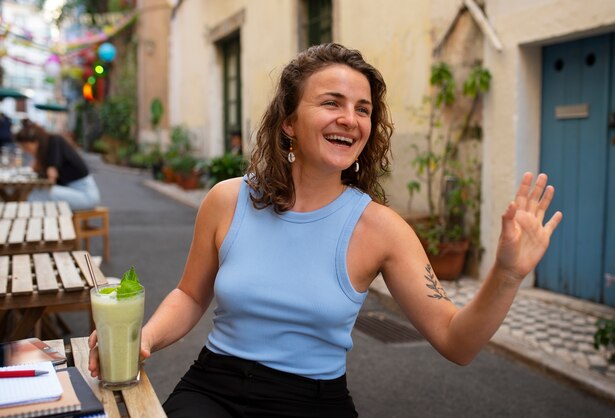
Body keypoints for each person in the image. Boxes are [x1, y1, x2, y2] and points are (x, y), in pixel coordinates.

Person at [89, 43, 562, 417]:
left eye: (362, 109)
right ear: (289, 122)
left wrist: (506, 273)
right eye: (331, 103)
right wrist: (144, 337)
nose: (350, 119)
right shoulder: (227, 199)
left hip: (311, 400)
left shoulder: (381, 229)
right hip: (212, 388)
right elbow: (191, 296)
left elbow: (457, 343)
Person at [15, 119, 101, 210]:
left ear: (36, 142)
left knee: (35, 194)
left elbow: (51, 179)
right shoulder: (49, 146)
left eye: (26, 147)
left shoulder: (54, 142)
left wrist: (37, 164)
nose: (25, 150)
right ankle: (42, 222)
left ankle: (37, 222)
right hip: (73, 192)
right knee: (35, 193)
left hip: (86, 196)